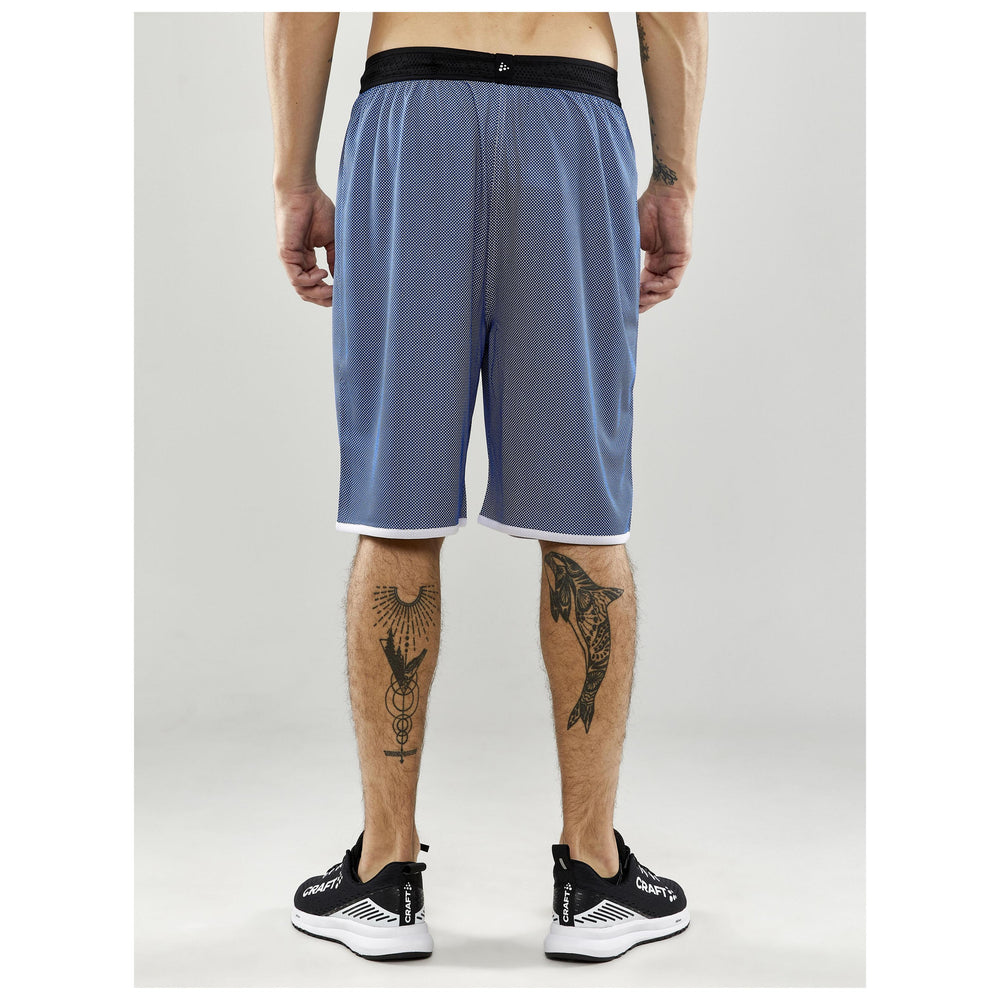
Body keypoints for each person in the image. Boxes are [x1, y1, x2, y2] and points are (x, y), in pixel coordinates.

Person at [264, 11, 707, 963]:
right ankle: (593, 879)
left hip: (412, 116)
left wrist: (294, 178)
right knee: (584, 515)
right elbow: (672, 12)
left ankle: (385, 878)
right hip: (570, 116)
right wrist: (674, 179)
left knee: (395, 507)